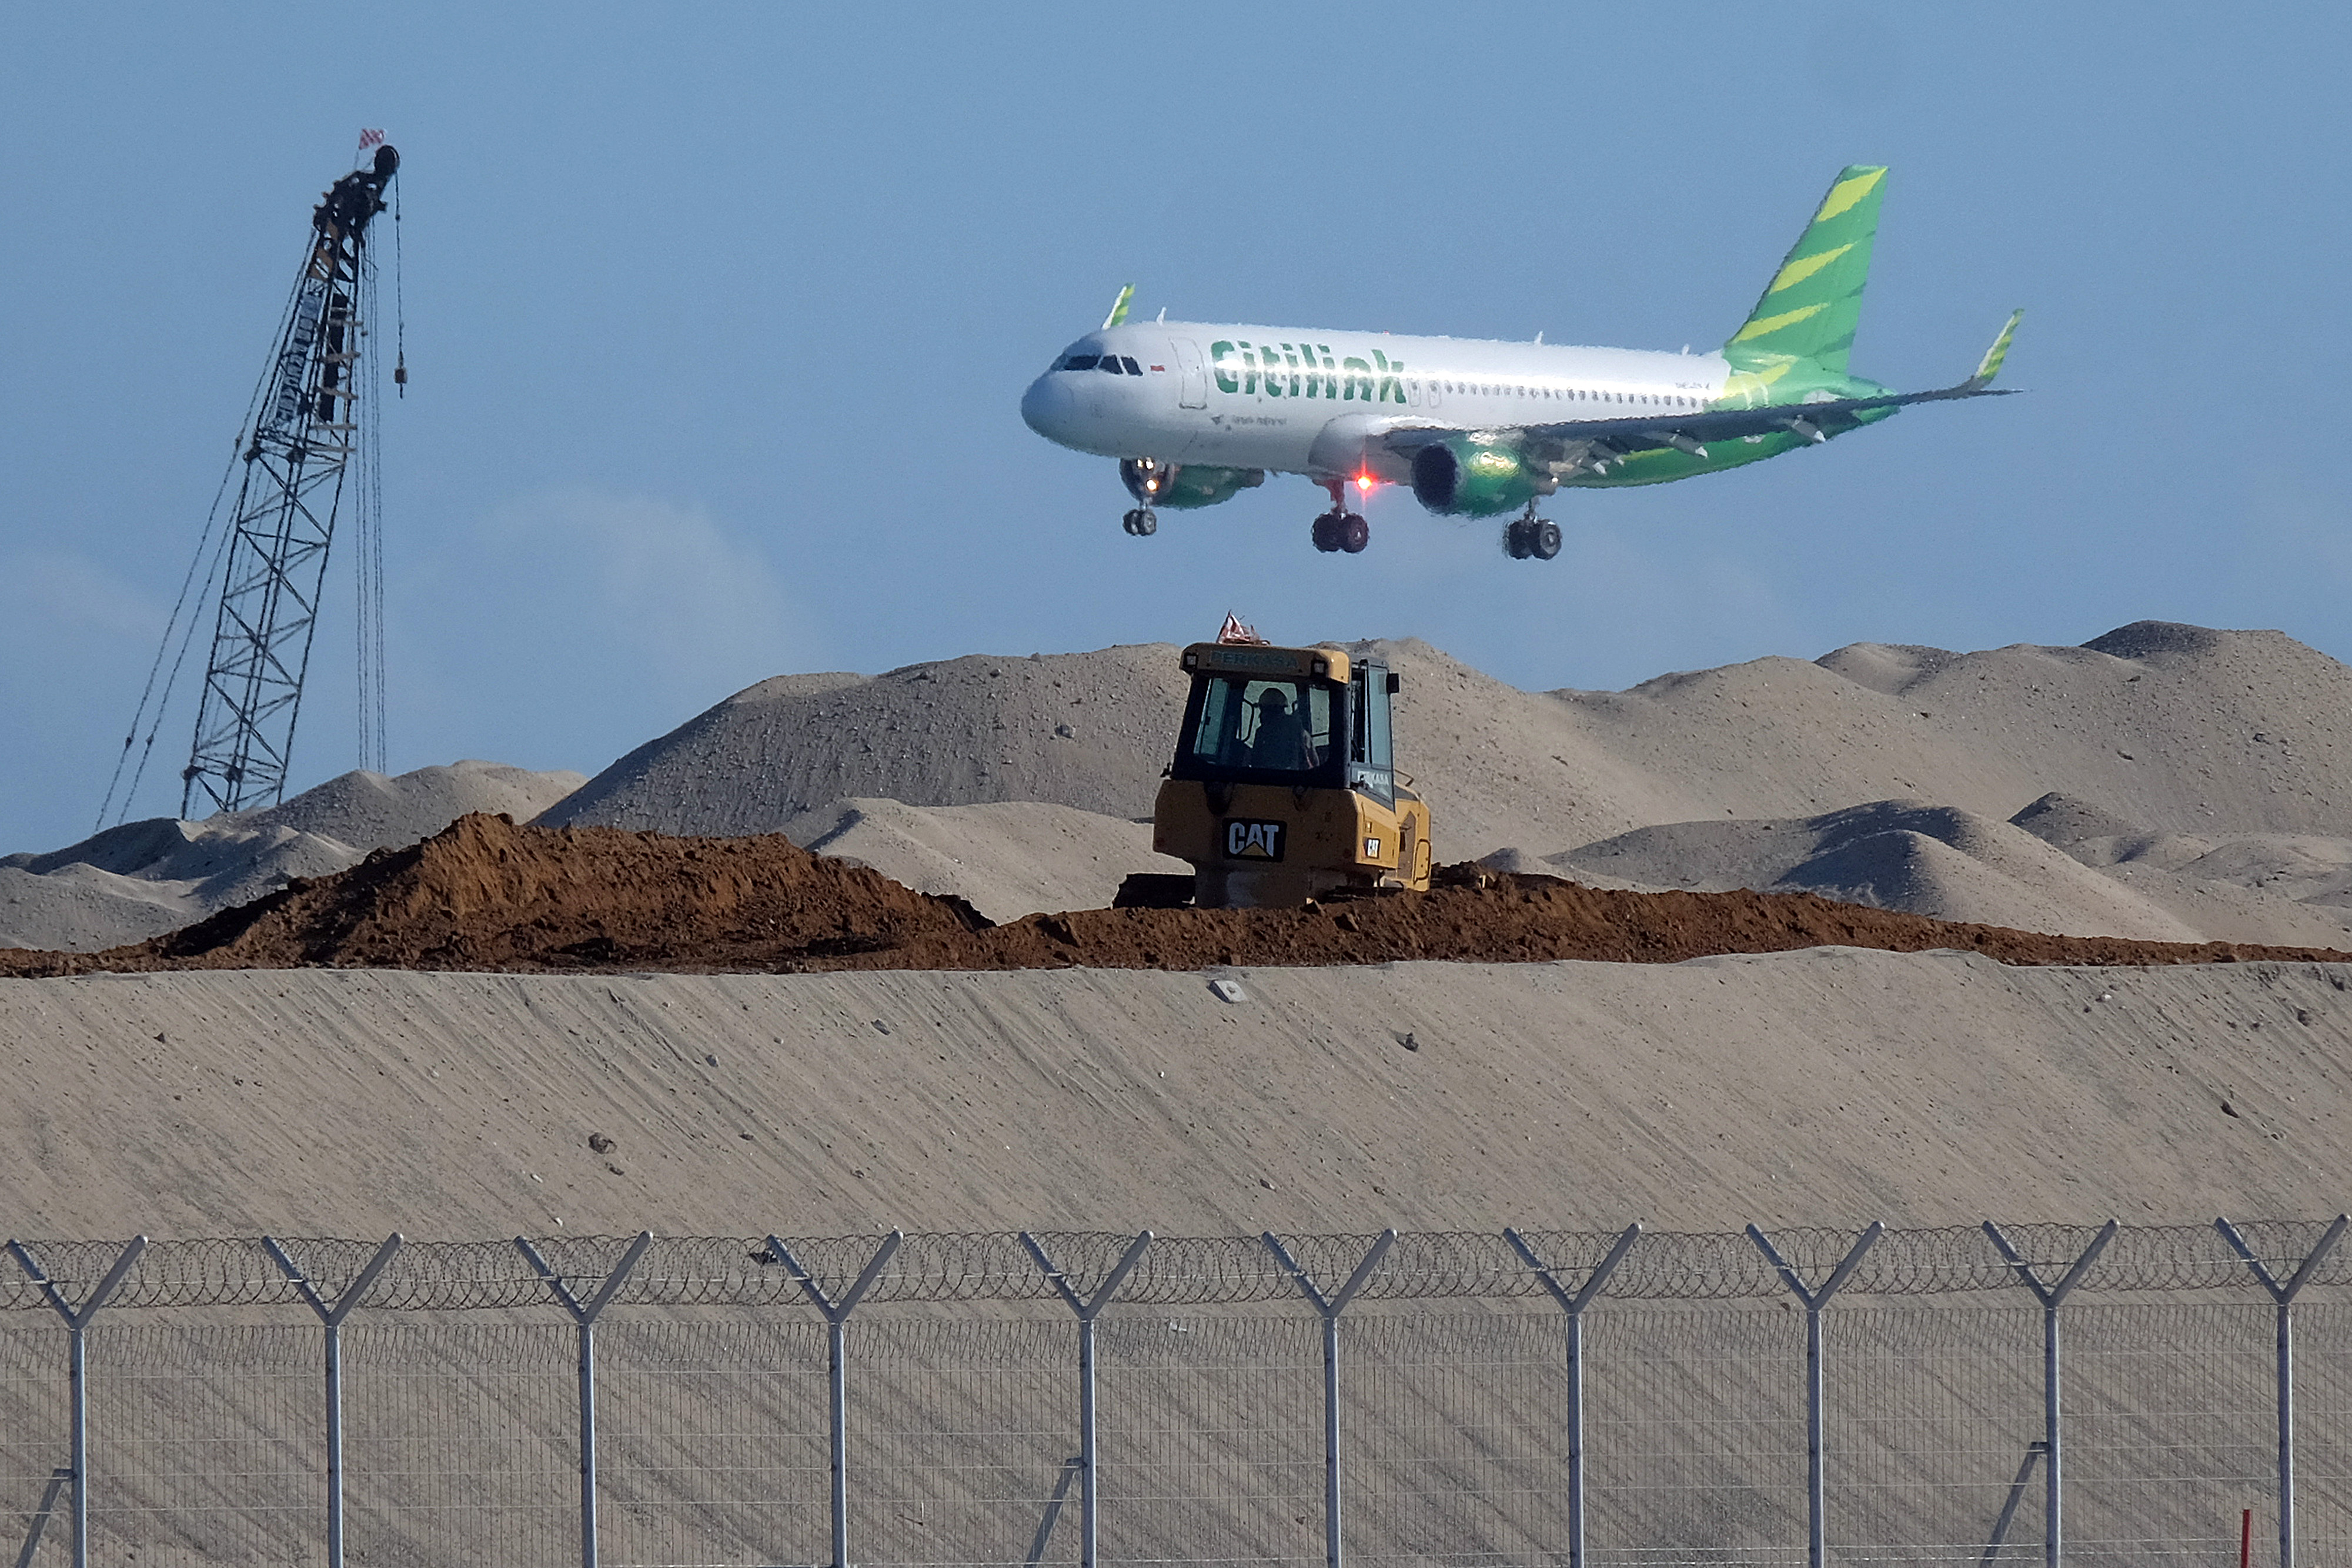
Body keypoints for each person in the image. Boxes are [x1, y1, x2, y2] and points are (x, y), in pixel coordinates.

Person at [1249, 687, 1315, 770]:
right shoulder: (1301, 732)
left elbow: (1255, 763)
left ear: (1271, 711)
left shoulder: (1262, 733)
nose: (1261, 715)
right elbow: (1313, 763)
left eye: (1263, 710)